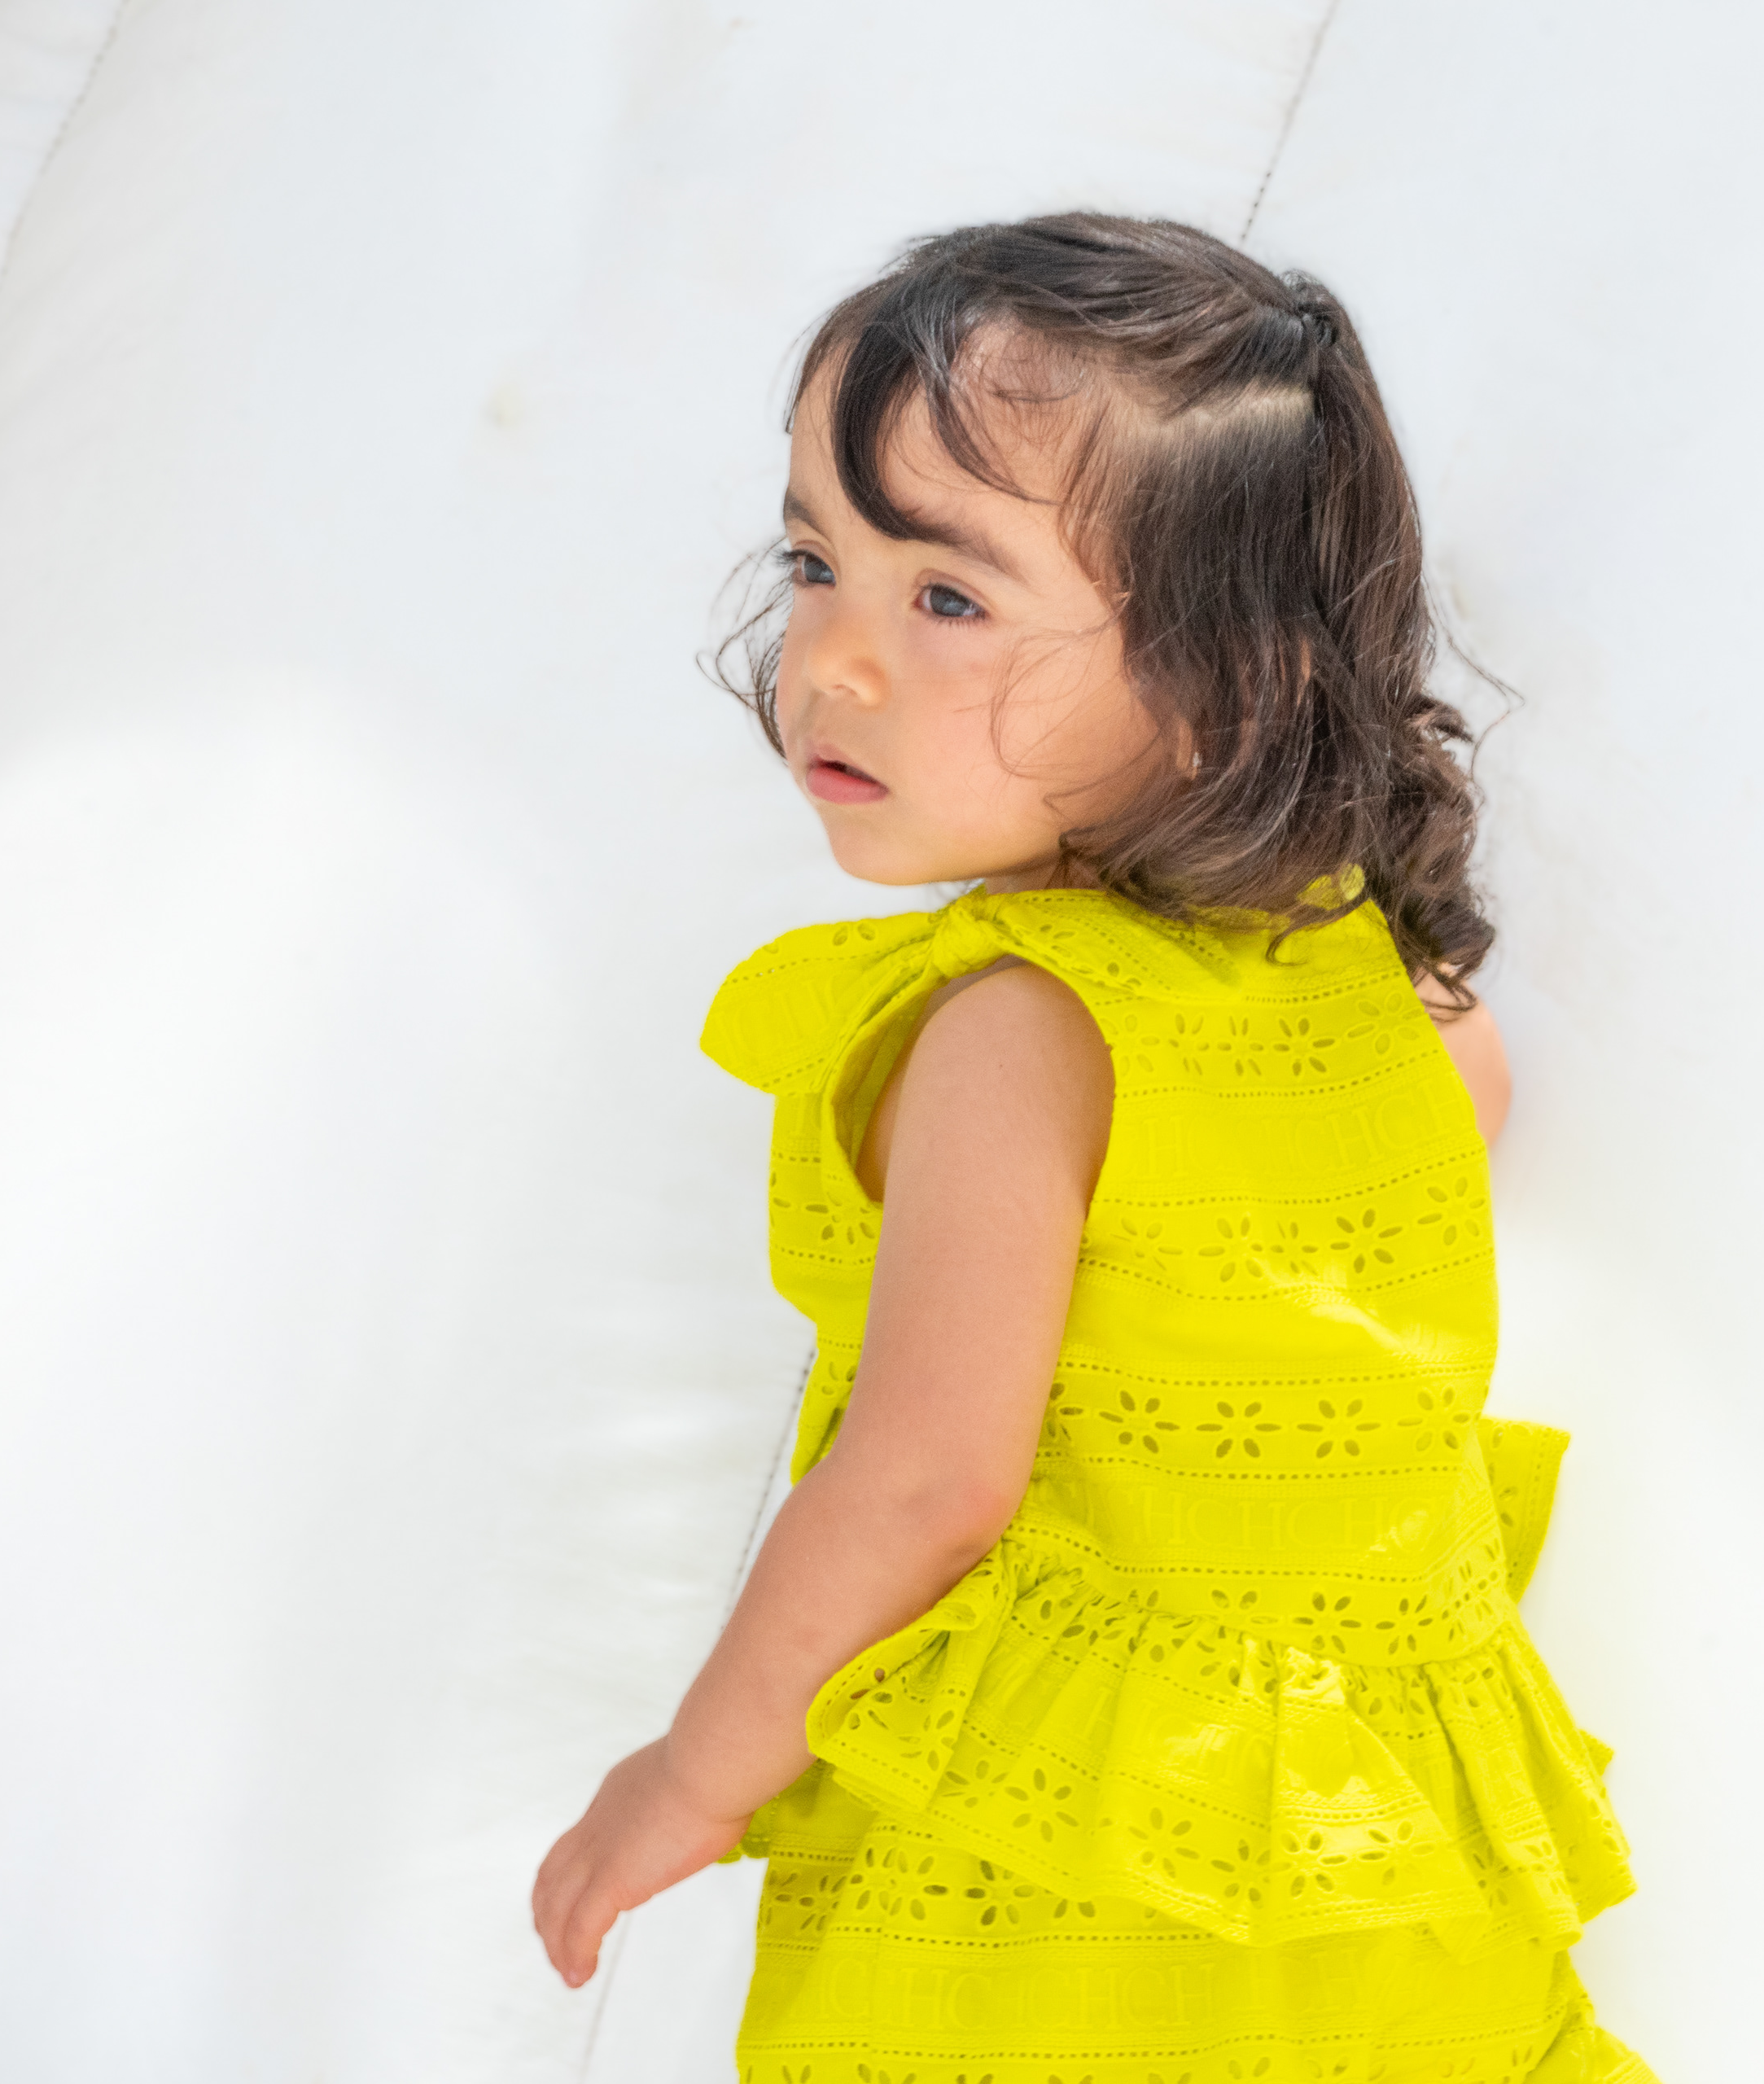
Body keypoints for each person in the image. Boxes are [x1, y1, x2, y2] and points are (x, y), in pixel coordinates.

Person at [532, 212, 1652, 2083]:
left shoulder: (1020, 1027)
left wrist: (691, 1773)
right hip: (1371, 1868)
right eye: (816, 561)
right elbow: (1462, 1112)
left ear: (1227, 678)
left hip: (1078, 1899)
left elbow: (923, 1482)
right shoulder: (1370, 984)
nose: (834, 661)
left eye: (948, 599)